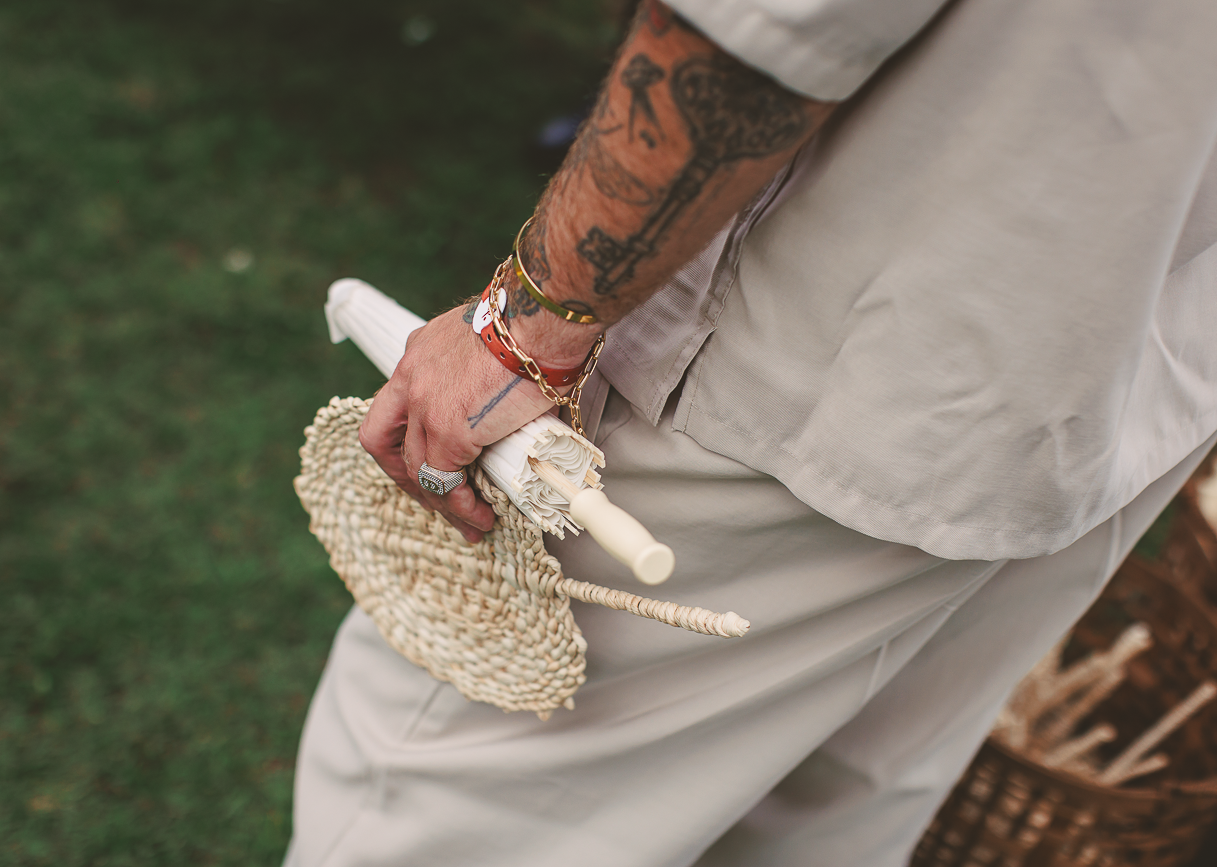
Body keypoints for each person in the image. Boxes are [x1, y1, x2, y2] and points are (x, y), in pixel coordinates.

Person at [284, 1, 1217, 865]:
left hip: (807, 368)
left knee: (429, 800)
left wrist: (522, 326)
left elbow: (756, 35)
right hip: (1125, 364)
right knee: (829, 809)